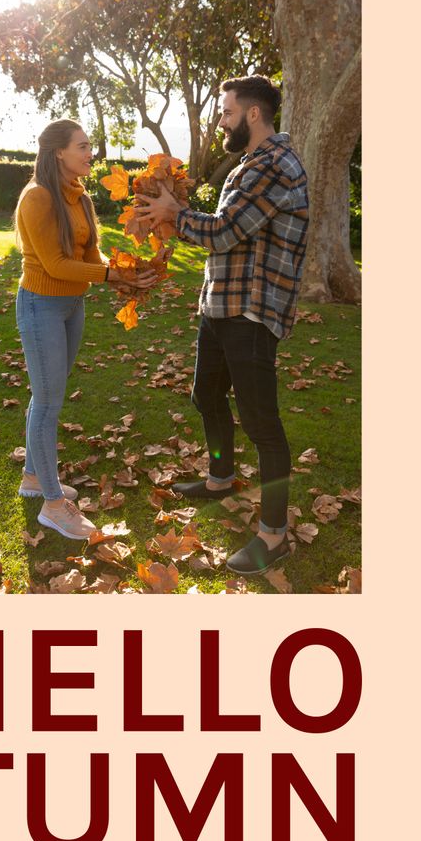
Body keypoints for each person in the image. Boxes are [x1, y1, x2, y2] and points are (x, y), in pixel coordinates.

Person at [136, 76, 309, 576]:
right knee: (206, 396)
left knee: (262, 425)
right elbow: (229, 231)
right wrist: (174, 213)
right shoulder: (252, 163)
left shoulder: (276, 165)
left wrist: (178, 212)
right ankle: (220, 478)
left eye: (227, 112)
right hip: (221, 307)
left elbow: (227, 230)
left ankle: (273, 536)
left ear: (253, 114)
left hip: (253, 312)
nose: (222, 120)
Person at [15, 119, 160, 540]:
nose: (90, 152)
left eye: (89, 145)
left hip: (71, 306)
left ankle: (32, 477)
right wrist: (113, 276)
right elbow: (57, 265)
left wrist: (130, 276)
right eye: (82, 146)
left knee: (46, 395)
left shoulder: (79, 197)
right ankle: (54, 506)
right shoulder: (38, 197)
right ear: (59, 152)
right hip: (41, 305)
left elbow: (91, 255)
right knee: (48, 402)